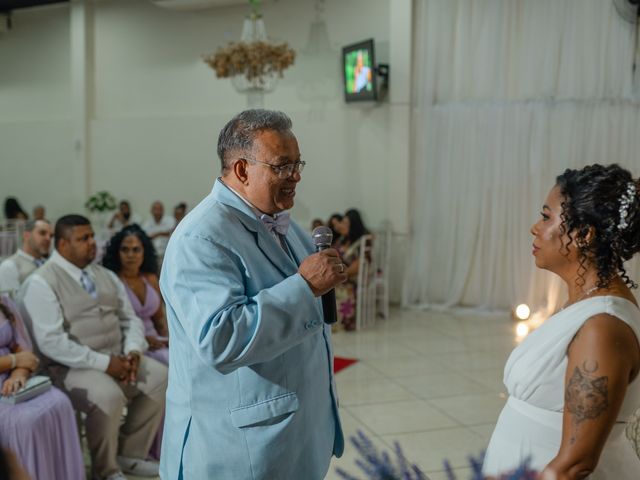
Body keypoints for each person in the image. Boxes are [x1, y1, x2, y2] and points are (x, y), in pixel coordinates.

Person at [160, 109, 346, 479]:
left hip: (296, 434)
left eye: (298, 164)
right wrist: (304, 286)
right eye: (282, 166)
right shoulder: (202, 237)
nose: (296, 176)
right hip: (241, 447)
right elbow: (220, 339)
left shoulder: (288, 227)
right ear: (242, 170)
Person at [483, 164, 640, 478]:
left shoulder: (602, 326)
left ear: (583, 234)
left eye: (545, 217)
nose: (535, 228)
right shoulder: (583, 303)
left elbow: (574, 464)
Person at [19, 215, 167, 480]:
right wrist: (105, 363)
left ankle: (130, 454)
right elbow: (52, 342)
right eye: (83, 239)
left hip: (119, 358)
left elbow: (129, 318)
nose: (92, 244)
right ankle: (105, 469)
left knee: (160, 378)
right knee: (108, 395)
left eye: (91, 237)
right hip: (66, 368)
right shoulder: (41, 282)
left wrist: (133, 351)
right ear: (63, 244)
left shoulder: (105, 275)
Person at [0, 296, 85, 480]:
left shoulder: (4, 301)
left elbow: (23, 349)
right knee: (25, 420)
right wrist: (13, 361)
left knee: (60, 402)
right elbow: (18, 357)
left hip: (13, 381)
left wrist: (18, 375)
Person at [103, 225, 168, 365]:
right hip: (129, 344)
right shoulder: (112, 280)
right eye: (125, 249)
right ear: (117, 252)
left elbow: (159, 320)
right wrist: (143, 339)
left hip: (157, 341)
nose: (130, 255)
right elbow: (112, 324)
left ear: (144, 251)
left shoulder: (150, 278)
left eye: (136, 249)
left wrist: (169, 340)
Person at [334, 209, 370, 331]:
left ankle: (339, 322)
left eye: (346, 223)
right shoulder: (342, 239)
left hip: (349, 279)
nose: (342, 226)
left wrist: (340, 275)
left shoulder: (361, 242)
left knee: (333, 290)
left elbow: (359, 265)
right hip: (338, 276)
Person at [0, 220, 52, 295]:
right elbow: (11, 304)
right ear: (26, 235)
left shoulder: (48, 264)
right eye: (42, 233)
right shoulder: (9, 266)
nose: (48, 238)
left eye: (51, 235)